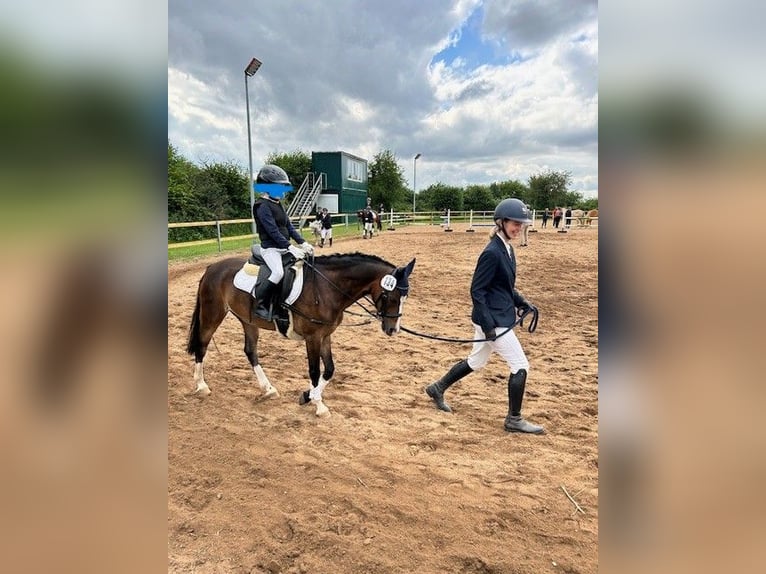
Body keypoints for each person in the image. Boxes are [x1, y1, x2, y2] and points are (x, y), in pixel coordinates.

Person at [424, 197, 544, 434]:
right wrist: (489, 326)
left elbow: (503, 287)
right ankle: (514, 419)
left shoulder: (507, 248)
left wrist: (522, 302)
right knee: (520, 365)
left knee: (476, 361)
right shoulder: (492, 252)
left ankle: (437, 388)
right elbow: (477, 291)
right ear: (501, 222)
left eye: (521, 224)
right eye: (514, 223)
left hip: (495, 316)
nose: (518, 228)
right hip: (493, 320)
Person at [251, 164, 314, 320]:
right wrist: (290, 247)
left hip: (283, 248)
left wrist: (303, 242)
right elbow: (272, 231)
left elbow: (288, 227)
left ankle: (287, 302)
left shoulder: (279, 205)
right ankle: (261, 305)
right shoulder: (261, 206)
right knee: (278, 272)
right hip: (270, 249)